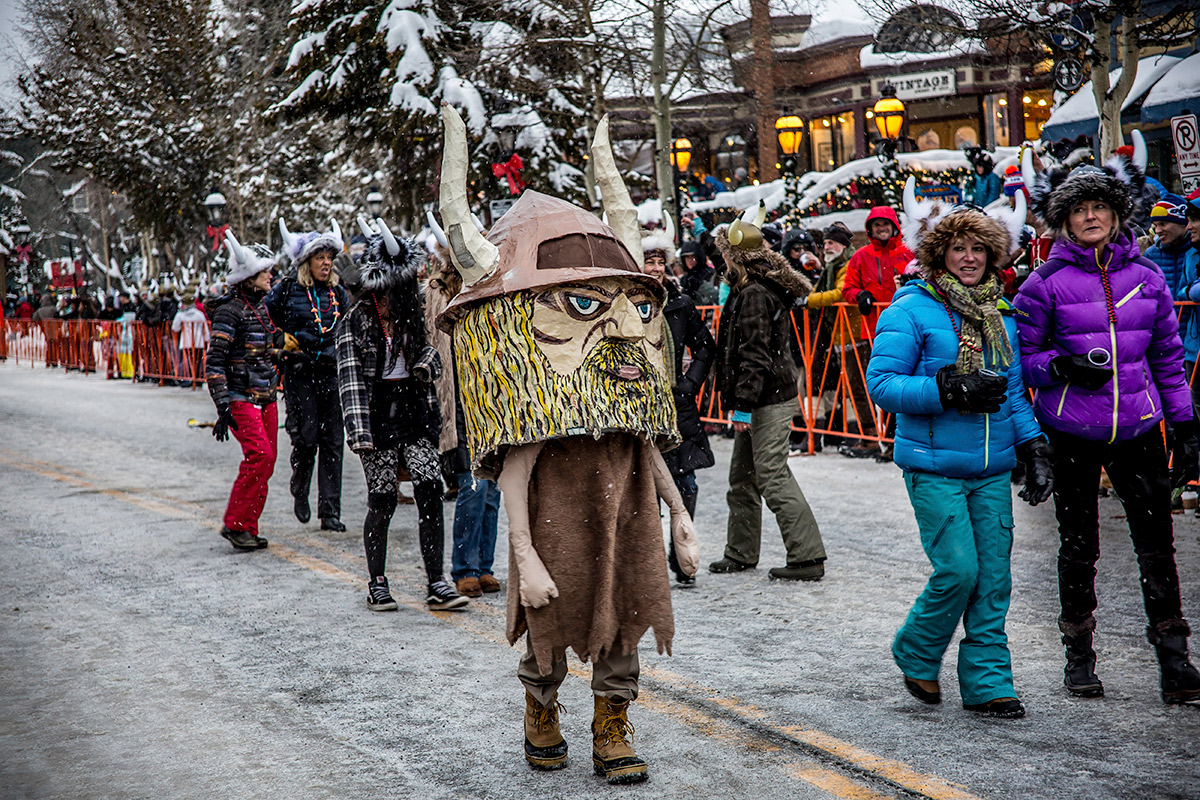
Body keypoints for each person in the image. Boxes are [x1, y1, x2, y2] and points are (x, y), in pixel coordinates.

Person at [436, 110, 697, 783]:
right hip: (555, 518)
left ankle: (613, 722)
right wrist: (525, 554)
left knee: (627, 611)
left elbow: (650, 454)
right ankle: (541, 708)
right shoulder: (534, 414)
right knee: (549, 619)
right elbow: (512, 480)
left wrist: (682, 521)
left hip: (627, 510)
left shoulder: (627, 393)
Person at [1017, 158, 1200, 704]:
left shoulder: (1146, 279)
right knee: (1079, 547)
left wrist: (1185, 426)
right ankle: (1079, 656)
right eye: (1079, 210)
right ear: (1065, 221)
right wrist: (1061, 368)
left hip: (1139, 430)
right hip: (1071, 430)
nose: (1090, 217)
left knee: (1157, 546)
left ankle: (1176, 662)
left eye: (1099, 206)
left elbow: (1168, 358)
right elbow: (1023, 359)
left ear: (1118, 214)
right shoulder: (1043, 282)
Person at [868, 184, 1049, 719]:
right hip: (934, 467)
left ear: (993, 257)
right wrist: (945, 389)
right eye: (958, 249)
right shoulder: (913, 309)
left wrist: (1033, 445)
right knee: (959, 571)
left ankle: (989, 682)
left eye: (979, 249)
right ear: (940, 255)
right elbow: (882, 384)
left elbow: (1013, 389)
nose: (969, 258)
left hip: (991, 468)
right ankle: (918, 650)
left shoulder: (1001, 314)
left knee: (994, 580)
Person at [336, 220, 467, 613]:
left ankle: (437, 582)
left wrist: (426, 367)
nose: (400, 295)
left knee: (429, 492)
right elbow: (350, 383)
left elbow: (429, 353)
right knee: (382, 501)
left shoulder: (411, 314)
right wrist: (360, 434)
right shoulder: (355, 321)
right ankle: (377, 582)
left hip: (414, 411)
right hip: (376, 415)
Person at [709, 204, 827, 581]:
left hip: (767, 399)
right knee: (742, 479)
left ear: (734, 255)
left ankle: (807, 556)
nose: (720, 259)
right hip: (758, 395)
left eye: (724, 253)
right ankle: (740, 551)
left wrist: (742, 405)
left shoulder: (755, 293)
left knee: (772, 475)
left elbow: (755, 353)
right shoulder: (748, 288)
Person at [423, 229, 502, 599]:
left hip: (491, 399)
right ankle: (464, 568)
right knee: (472, 486)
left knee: (493, 489)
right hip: (458, 401)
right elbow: (427, 346)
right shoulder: (435, 293)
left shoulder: (489, 287)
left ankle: (484, 565)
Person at [643, 229, 716, 586]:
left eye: (660, 261)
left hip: (677, 407)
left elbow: (705, 346)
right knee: (644, 488)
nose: (655, 268)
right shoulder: (625, 300)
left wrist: (690, 384)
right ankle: (647, 560)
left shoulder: (680, 302)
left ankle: (680, 551)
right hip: (639, 409)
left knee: (686, 483)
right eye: (649, 260)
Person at [270, 220, 349, 532]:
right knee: (306, 437)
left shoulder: (339, 294)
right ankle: (300, 486)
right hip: (300, 374)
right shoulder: (287, 290)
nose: (327, 262)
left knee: (333, 441)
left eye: (330, 257)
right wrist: (279, 338)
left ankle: (330, 511)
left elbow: (351, 324)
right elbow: (265, 320)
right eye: (320, 257)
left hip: (332, 374)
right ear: (306, 262)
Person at [205, 234, 282, 551]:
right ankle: (236, 523)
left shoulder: (262, 307)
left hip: (266, 396)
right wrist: (223, 405)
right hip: (241, 398)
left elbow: (263, 351)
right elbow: (215, 360)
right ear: (250, 276)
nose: (271, 276)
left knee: (269, 460)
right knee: (259, 455)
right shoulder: (229, 311)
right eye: (266, 271)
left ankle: (247, 528)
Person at [841, 205, 914, 459]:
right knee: (877, 384)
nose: (882, 230)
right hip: (873, 331)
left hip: (907, 328)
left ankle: (897, 439)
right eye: (876, 226)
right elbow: (848, 287)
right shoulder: (861, 256)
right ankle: (879, 437)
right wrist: (859, 295)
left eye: (885, 225)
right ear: (870, 230)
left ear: (894, 227)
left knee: (902, 383)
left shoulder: (908, 253)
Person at [801, 222, 874, 452]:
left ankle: (871, 435)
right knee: (852, 387)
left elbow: (840, 293)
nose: (826, 248)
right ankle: (866, 435)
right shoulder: (830, 267)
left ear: (842, 244)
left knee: (859, 386)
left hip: (855, 333)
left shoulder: (848, 264)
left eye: (831, 243)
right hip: (840, 333)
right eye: (824, 244)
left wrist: (809, 301)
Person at [172, 289, 210, 388]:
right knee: (197, 362)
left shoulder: (180, 315)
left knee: (186, 362)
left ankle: (186, 380)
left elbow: (175, 328)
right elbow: (204, 328)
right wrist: (206, 339)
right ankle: (198, 379)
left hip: (186, 341)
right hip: (198, 341)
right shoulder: (199, 314)